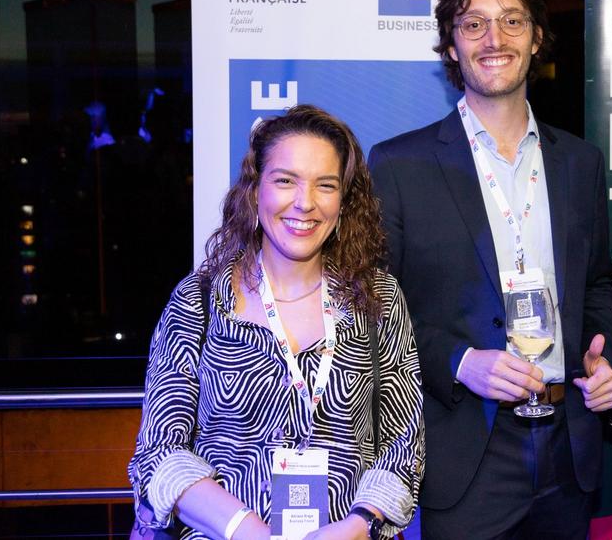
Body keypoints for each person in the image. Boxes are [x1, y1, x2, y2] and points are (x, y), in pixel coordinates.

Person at [367, 0, 612, 539]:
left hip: (568, 447)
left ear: (536, 37)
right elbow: (373, 309)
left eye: (512, 21)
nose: (494, 39)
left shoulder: (580, 162)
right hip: (464, 450)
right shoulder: (399, 165)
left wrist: (604, 358)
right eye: (474, 24)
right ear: (451, 45)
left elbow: (596, 285)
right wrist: (460, 363)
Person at [129, 105, 424, 540]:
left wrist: (357, 526)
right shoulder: (200, 301)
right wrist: (246, 528)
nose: (305, 202)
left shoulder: (377, 298)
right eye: (286, 180)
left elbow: (403, 446)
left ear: (344, 201)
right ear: (255, 191)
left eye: (326, 185)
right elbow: (159, 451)